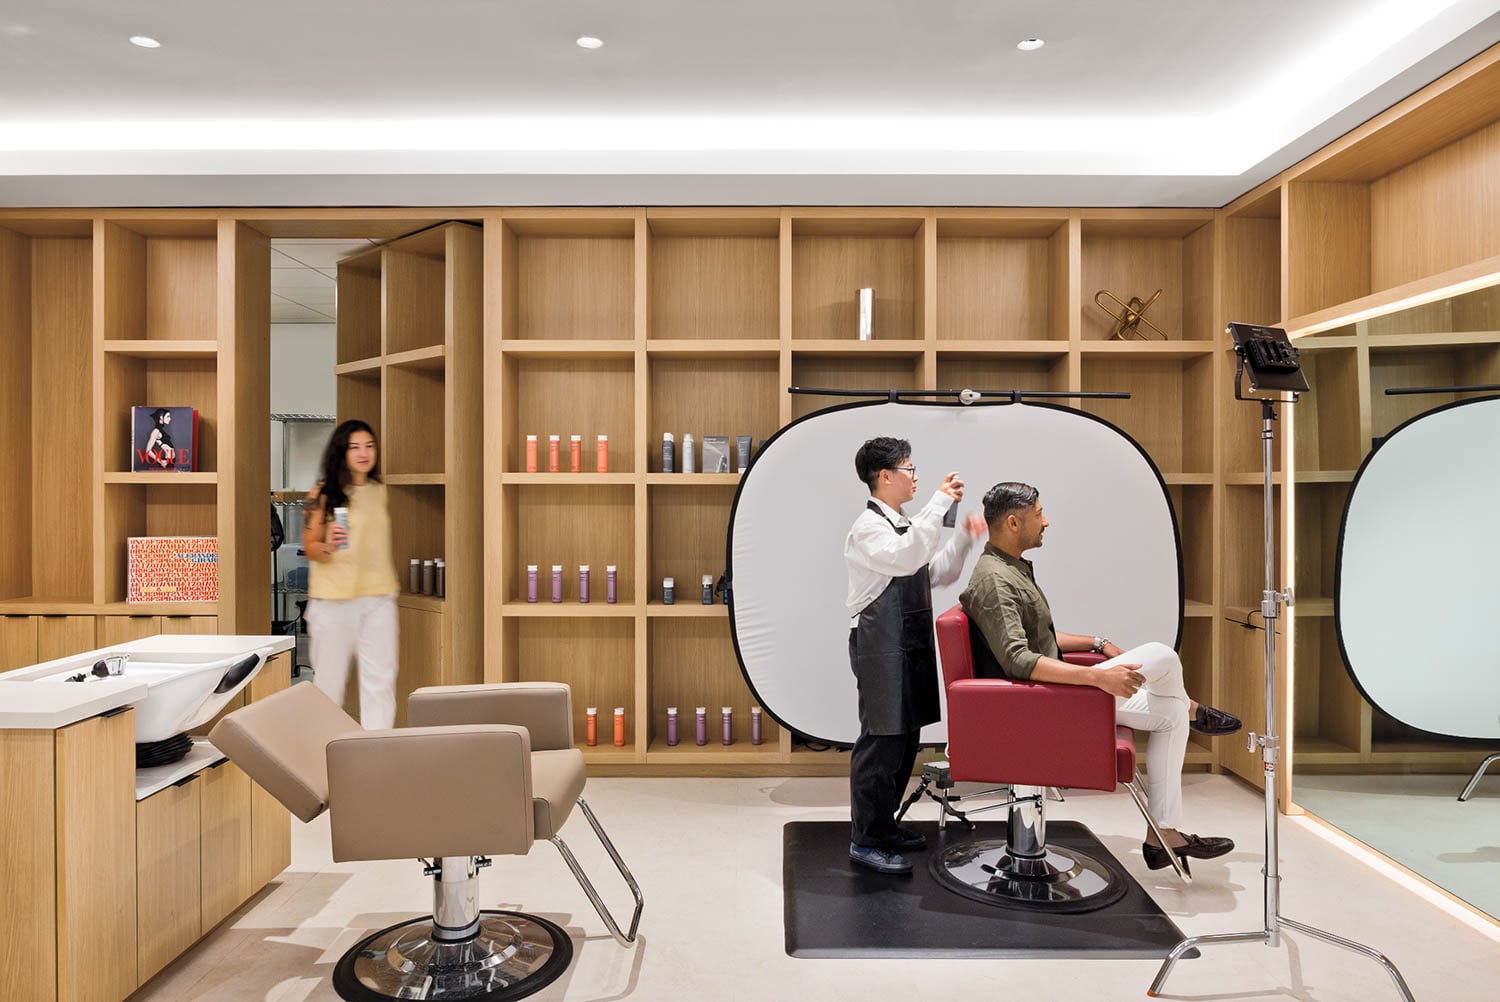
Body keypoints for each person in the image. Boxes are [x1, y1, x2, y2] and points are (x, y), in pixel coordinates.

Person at [959, 482, 1241, 875]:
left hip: (1055, 691)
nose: (1046, 522)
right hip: (1040, 702)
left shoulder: (1011, 569)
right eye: (1039, 514)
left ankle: (1165, 835)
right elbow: (1018, 660)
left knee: (1171, 716)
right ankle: (1195, 709)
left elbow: (1039, 639)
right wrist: (1096, 678)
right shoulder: (994, 579)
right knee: (1162, 654)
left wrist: (1099, 643)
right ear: (1012, 522)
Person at [844, 436, 987, 874]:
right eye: (909, 468)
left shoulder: (905, 524)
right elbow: (907, 560)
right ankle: (864, 840)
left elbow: (936, 572)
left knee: (905, 741)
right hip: (879, 646)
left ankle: (884, 827)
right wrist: (940, 501)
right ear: (884, 476)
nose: (916, 477)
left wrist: (962, 537)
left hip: (908, 642)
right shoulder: (868, 528)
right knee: (880, 742)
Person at [302, 419, 400, 729]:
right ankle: (323, 754)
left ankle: (377, 753)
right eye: (355, 447)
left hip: (379, 599)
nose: (363, 453)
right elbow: (309, 546)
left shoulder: (379, 491)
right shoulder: (321, 493)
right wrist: (328, 546)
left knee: (381, 682)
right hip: (333, 602)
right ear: (341, 452)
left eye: (369, 446)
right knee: (329, 687)